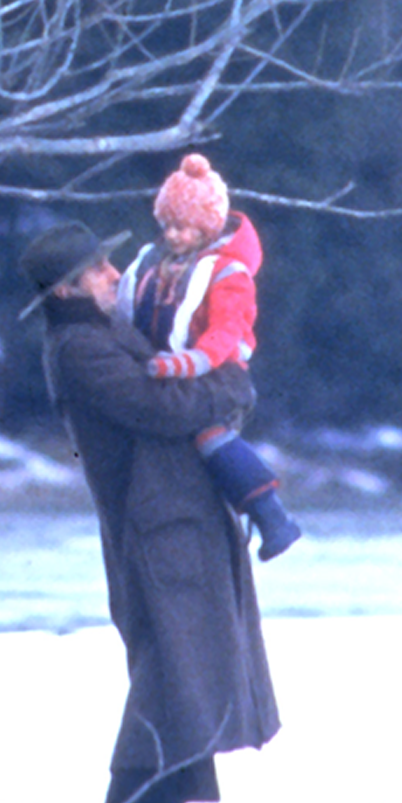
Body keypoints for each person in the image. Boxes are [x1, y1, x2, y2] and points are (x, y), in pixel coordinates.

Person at [18, 222, 280, 803]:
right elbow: (162, 407)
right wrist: (233, 379)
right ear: (65, 291)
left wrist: (211, 376)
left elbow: (181, 392)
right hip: (154, 528)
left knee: (182, 670)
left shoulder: (104, 330)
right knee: (171, 673)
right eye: (98, 269)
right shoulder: (79, 347)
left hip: (173, 519)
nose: (115, 275)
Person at [116, 153, 301, 560]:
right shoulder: (157, 265)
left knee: (211, 438)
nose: (174, 236)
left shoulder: (227, 275)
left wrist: (188, 363)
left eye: (182, 227)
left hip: (216, 372)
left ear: (205, 226)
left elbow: (225, 333)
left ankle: (271, 516)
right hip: (174, 371)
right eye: (168, 226)